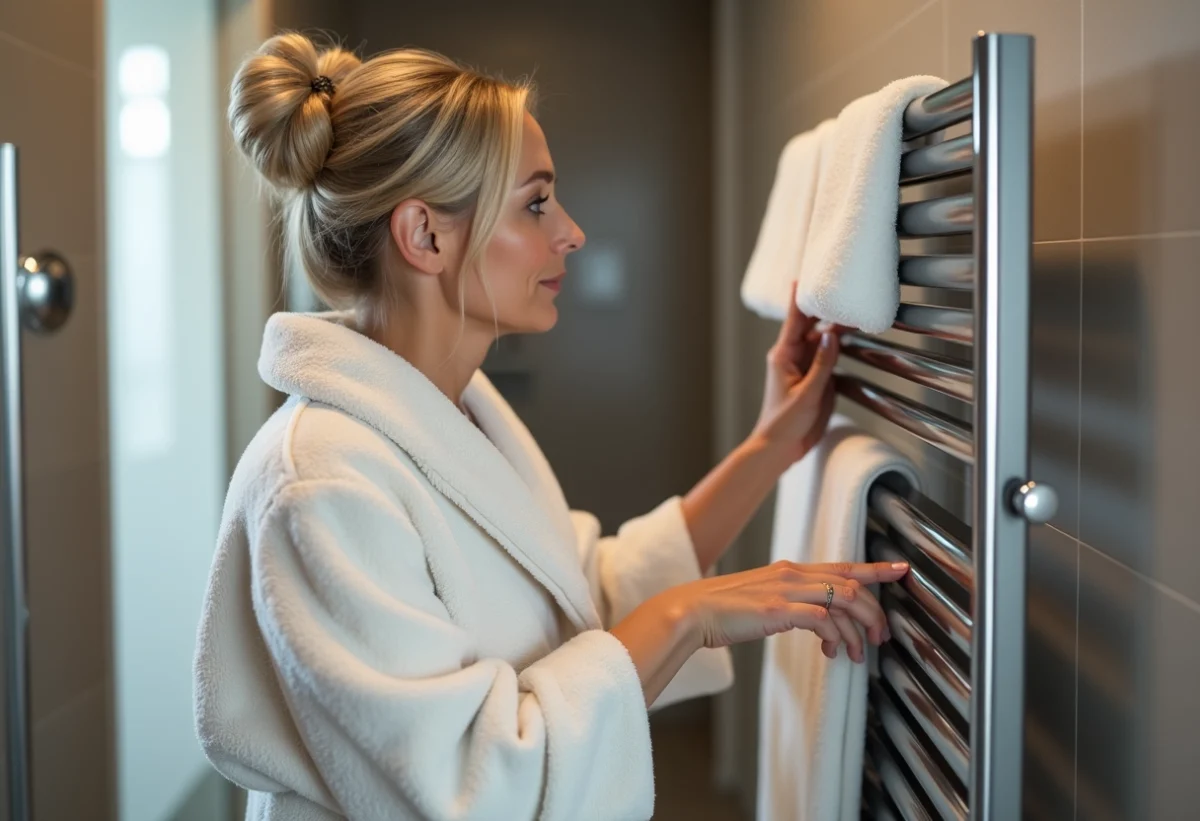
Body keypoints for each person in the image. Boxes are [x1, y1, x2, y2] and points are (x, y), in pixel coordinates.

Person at [192, 32, 909, 821]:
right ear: (425, 235)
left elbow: (578, 599)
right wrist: (689, 613)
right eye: (535, 202)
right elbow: (478, 784)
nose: (571, 232)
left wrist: (772, 444)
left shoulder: (454, 414)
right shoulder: (323, 480)